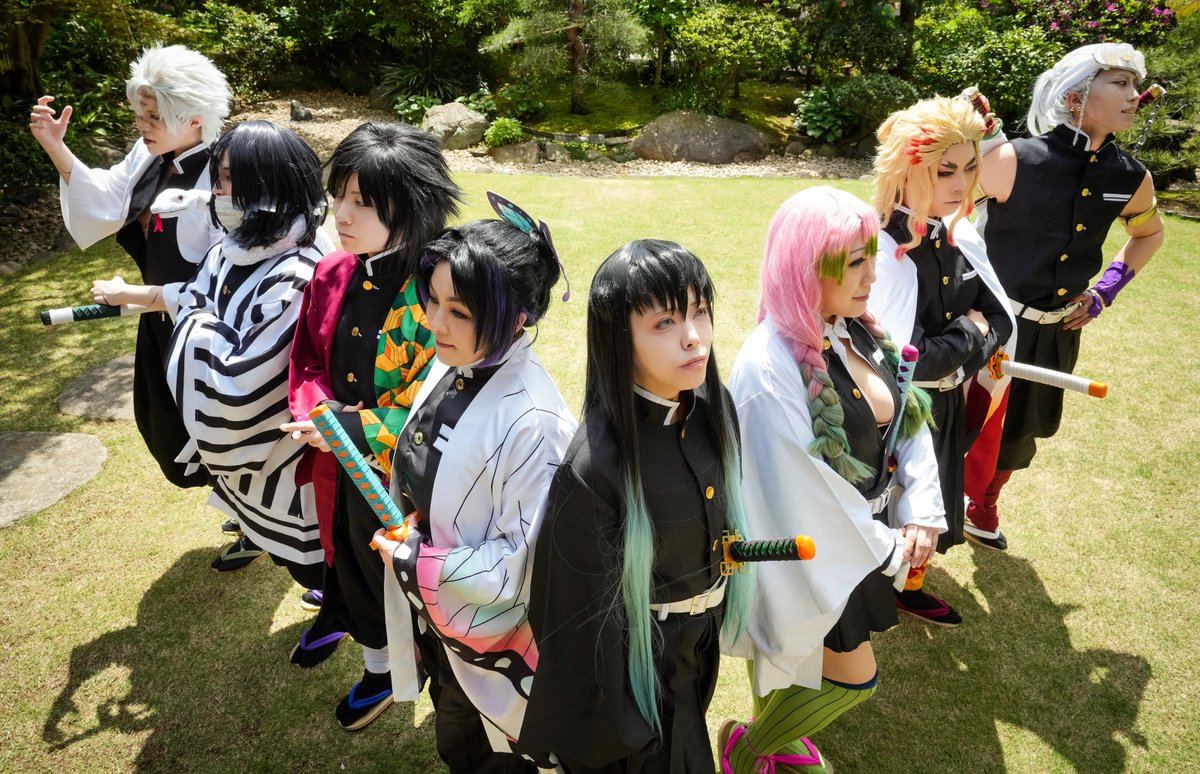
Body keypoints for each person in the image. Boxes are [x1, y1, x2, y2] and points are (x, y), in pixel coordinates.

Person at [720, 187, 945, 773]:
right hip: (810, 547)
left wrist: (921, 508)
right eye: (855, 262)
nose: (872, 274)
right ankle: (749, 748)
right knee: (850, 676)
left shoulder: (852, 327)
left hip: (854, 537)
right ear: (805, 267)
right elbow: (798, 488)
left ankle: (773, 746)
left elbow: (908, 416)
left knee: (798, 665)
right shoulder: (768, 366)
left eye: (872, 257)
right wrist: (887, 547)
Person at [519, 240, 753, 773]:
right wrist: (621, 729)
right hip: (631, 679)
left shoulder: (715, 406)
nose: (693, 336)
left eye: (699, 311)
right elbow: (573, 623)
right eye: (664, 322)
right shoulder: (593, 468)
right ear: (618, 338)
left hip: (698, 646)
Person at [371, 196, 576, 771]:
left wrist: (415, 559)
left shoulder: (535, 423)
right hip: (445, 618)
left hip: (489, 643)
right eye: (432, 300)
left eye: (457, 311)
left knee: (480, 750)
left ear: (517, 319)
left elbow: (520, 566)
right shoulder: (458, 359)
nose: (433, 322)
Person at [91, 121, 331, 594]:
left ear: (267, 186)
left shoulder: (299, 271)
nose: (215, 191)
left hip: (281, 460)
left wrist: (196, 325)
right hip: (252, 469)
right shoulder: (233, 247)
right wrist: (143, 297)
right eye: (217, 178)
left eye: (225, 180)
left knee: (310, 558)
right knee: (278, 544)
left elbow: (241, 383)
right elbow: (193, 296)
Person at [281, 121, 463, 715]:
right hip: (336, 459)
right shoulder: (334, 271)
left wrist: (349, 427)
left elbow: (438, 400)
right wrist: (318, 413)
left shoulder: (439, 292)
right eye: (338, 195)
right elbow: (308, 358)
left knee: (394, 573)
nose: (341, 214)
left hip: (403, 477)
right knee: (346, 556)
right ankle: (374, 661)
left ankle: (399, 669)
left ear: (410, 206)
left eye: (361, 201)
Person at [964, 42, 1165, 550]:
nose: (1133, 95)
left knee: (1024, 427)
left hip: (1056, 331)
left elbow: (1148, 234)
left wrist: (1104, 293)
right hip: (988, 325)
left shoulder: (1131, 176)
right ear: (1075, 97)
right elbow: (943, 216)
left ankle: (983, 504)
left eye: (1134, 85)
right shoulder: (1015, 159)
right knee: (960, 420)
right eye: (1118, 83)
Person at [29, 44, 230, 491]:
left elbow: (229, 276)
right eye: (140, 115)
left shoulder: (227, 173)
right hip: (158, 317)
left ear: (194, 118)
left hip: (209, 329)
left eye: (154, 117)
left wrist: (136, 295)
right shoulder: (149, 155)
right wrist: (55, 147)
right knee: (165, 425)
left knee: (215, 428)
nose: (142, 126)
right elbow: (106, 196)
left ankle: (247, 513)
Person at [867, 97, 1015, 625]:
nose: (961, 183)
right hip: (893, 411)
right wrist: (970, 332)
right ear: (904, 170)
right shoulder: (878, 248)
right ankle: (875, 586)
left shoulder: (959, 231)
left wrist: (965, 343)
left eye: (969, 167)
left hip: (947, 404)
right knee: (890, 501)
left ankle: (909, 584)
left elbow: (999, 319)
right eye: (944, 170)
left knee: (934, 498)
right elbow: (910, 361)